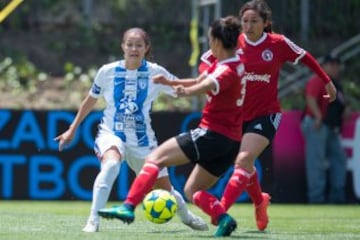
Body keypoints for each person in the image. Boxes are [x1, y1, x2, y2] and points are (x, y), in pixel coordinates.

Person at [98, 16, 245, 237]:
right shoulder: (234, 63)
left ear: (215, 41)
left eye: (209, 39)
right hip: (232, 141)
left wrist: (186, 91)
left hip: (211, 134)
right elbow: (201, 79)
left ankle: (128, 206)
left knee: (155, 159)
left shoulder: (225, 72)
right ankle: (224, 219)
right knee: (192, 190)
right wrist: (171, 83)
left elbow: (205, 84)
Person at [198, 0, 337, 231]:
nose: (249, 26)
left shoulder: (277, 43)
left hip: (266, 114)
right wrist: (207, 80)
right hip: (236, 116)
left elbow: (306, 57)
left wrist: (327, 82)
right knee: (246, 164)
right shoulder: (233, 43)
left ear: (265, 23)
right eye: (245, 21)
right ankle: (259, 201)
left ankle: (221, 211)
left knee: (242, 160)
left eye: (254, 21)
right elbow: (205, 60)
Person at [54, 27, 208, 233]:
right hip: (111, 133)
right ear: (122, 47)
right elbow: (90, 100)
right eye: (129, 44)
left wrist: (205, 88)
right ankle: (93, 221)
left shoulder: (156, 72)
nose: (133, 48)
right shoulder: (107, 71)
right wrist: (72, 129)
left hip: (143, 141)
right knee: (110, 166)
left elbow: (180, 90)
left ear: (146, 48)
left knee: (166, 189)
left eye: (138, 45)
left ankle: (187, 216)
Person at [301, 54, 348, 204]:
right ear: (324, 65)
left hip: (329, 127)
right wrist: (318, 115)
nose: (335, 68)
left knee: (339, 159)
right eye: (331, 64)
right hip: (317, 124)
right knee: (317, 162)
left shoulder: (336, 84)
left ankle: (337, 195)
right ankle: (316, 198)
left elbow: (340, 104)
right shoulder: (318, 78)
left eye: (337, 64)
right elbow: (310, 97)